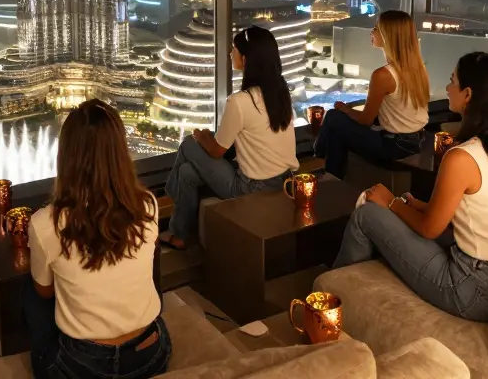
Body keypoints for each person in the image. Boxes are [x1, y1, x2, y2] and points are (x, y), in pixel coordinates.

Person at [331, 52, 488, 322]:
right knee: (403, 212)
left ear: (468, 95)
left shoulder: (463, 157)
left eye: (451, 81)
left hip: (479, 290)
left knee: (367, 215)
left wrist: (391, 202)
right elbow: (486, 211)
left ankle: (329, 302)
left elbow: (429, 229)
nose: (447, 88)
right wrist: (420, 207)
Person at [22, 100, 170, 379]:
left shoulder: (45, 223)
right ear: (120, 153)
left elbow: (44, 292)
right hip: (150, 355)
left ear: (66, 156)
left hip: (83, 366)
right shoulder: (147, 204)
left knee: (31, 292)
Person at [159, 25, 298, 248]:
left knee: (187, 144)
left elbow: (217, 150)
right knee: (186, 172)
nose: (230, 53)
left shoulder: (240, 101)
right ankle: (179, 235)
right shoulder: (280, 92)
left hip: (250, 188)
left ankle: (166, 203)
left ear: (245, 58)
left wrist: (200, 135)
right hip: (283, 181)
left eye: (234, 49)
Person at [315, 10, 430, 179]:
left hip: (395, 147)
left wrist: (345, 109)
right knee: (337, 131)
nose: (372, 31)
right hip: (417, 141)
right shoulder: (418, 68)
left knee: (333, 117)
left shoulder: (383, 75)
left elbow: (365, 120)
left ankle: (317, 157)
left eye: (376, 28)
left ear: (388, 36)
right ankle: (332, 176)